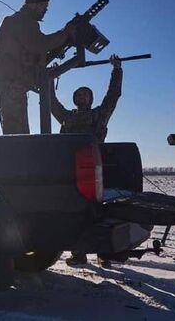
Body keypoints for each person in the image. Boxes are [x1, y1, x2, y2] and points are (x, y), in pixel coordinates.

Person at [50, 54, 122, 266]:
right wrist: (51, 78)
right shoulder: (66, 116)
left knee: (100, 212)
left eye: (86, 94)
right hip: (72, 170)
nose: (82, 97)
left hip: (95, 170)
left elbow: (113, 95)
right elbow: (50, 101)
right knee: (75, 212)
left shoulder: (100, 114)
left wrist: (116, 70)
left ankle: (104, 253)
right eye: (79, 94)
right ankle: (79, 253)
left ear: (91, 99)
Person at [0, 0, 76, 134]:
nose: (45, 10)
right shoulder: (22, 20)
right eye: (44, 6)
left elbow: (31, 47)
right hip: (10, 80)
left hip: (7, 79)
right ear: (34, 4)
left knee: (13, 129)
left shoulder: (18, 21)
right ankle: (18, 156)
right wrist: (65, 33)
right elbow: (40, 43)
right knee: (17, 132)